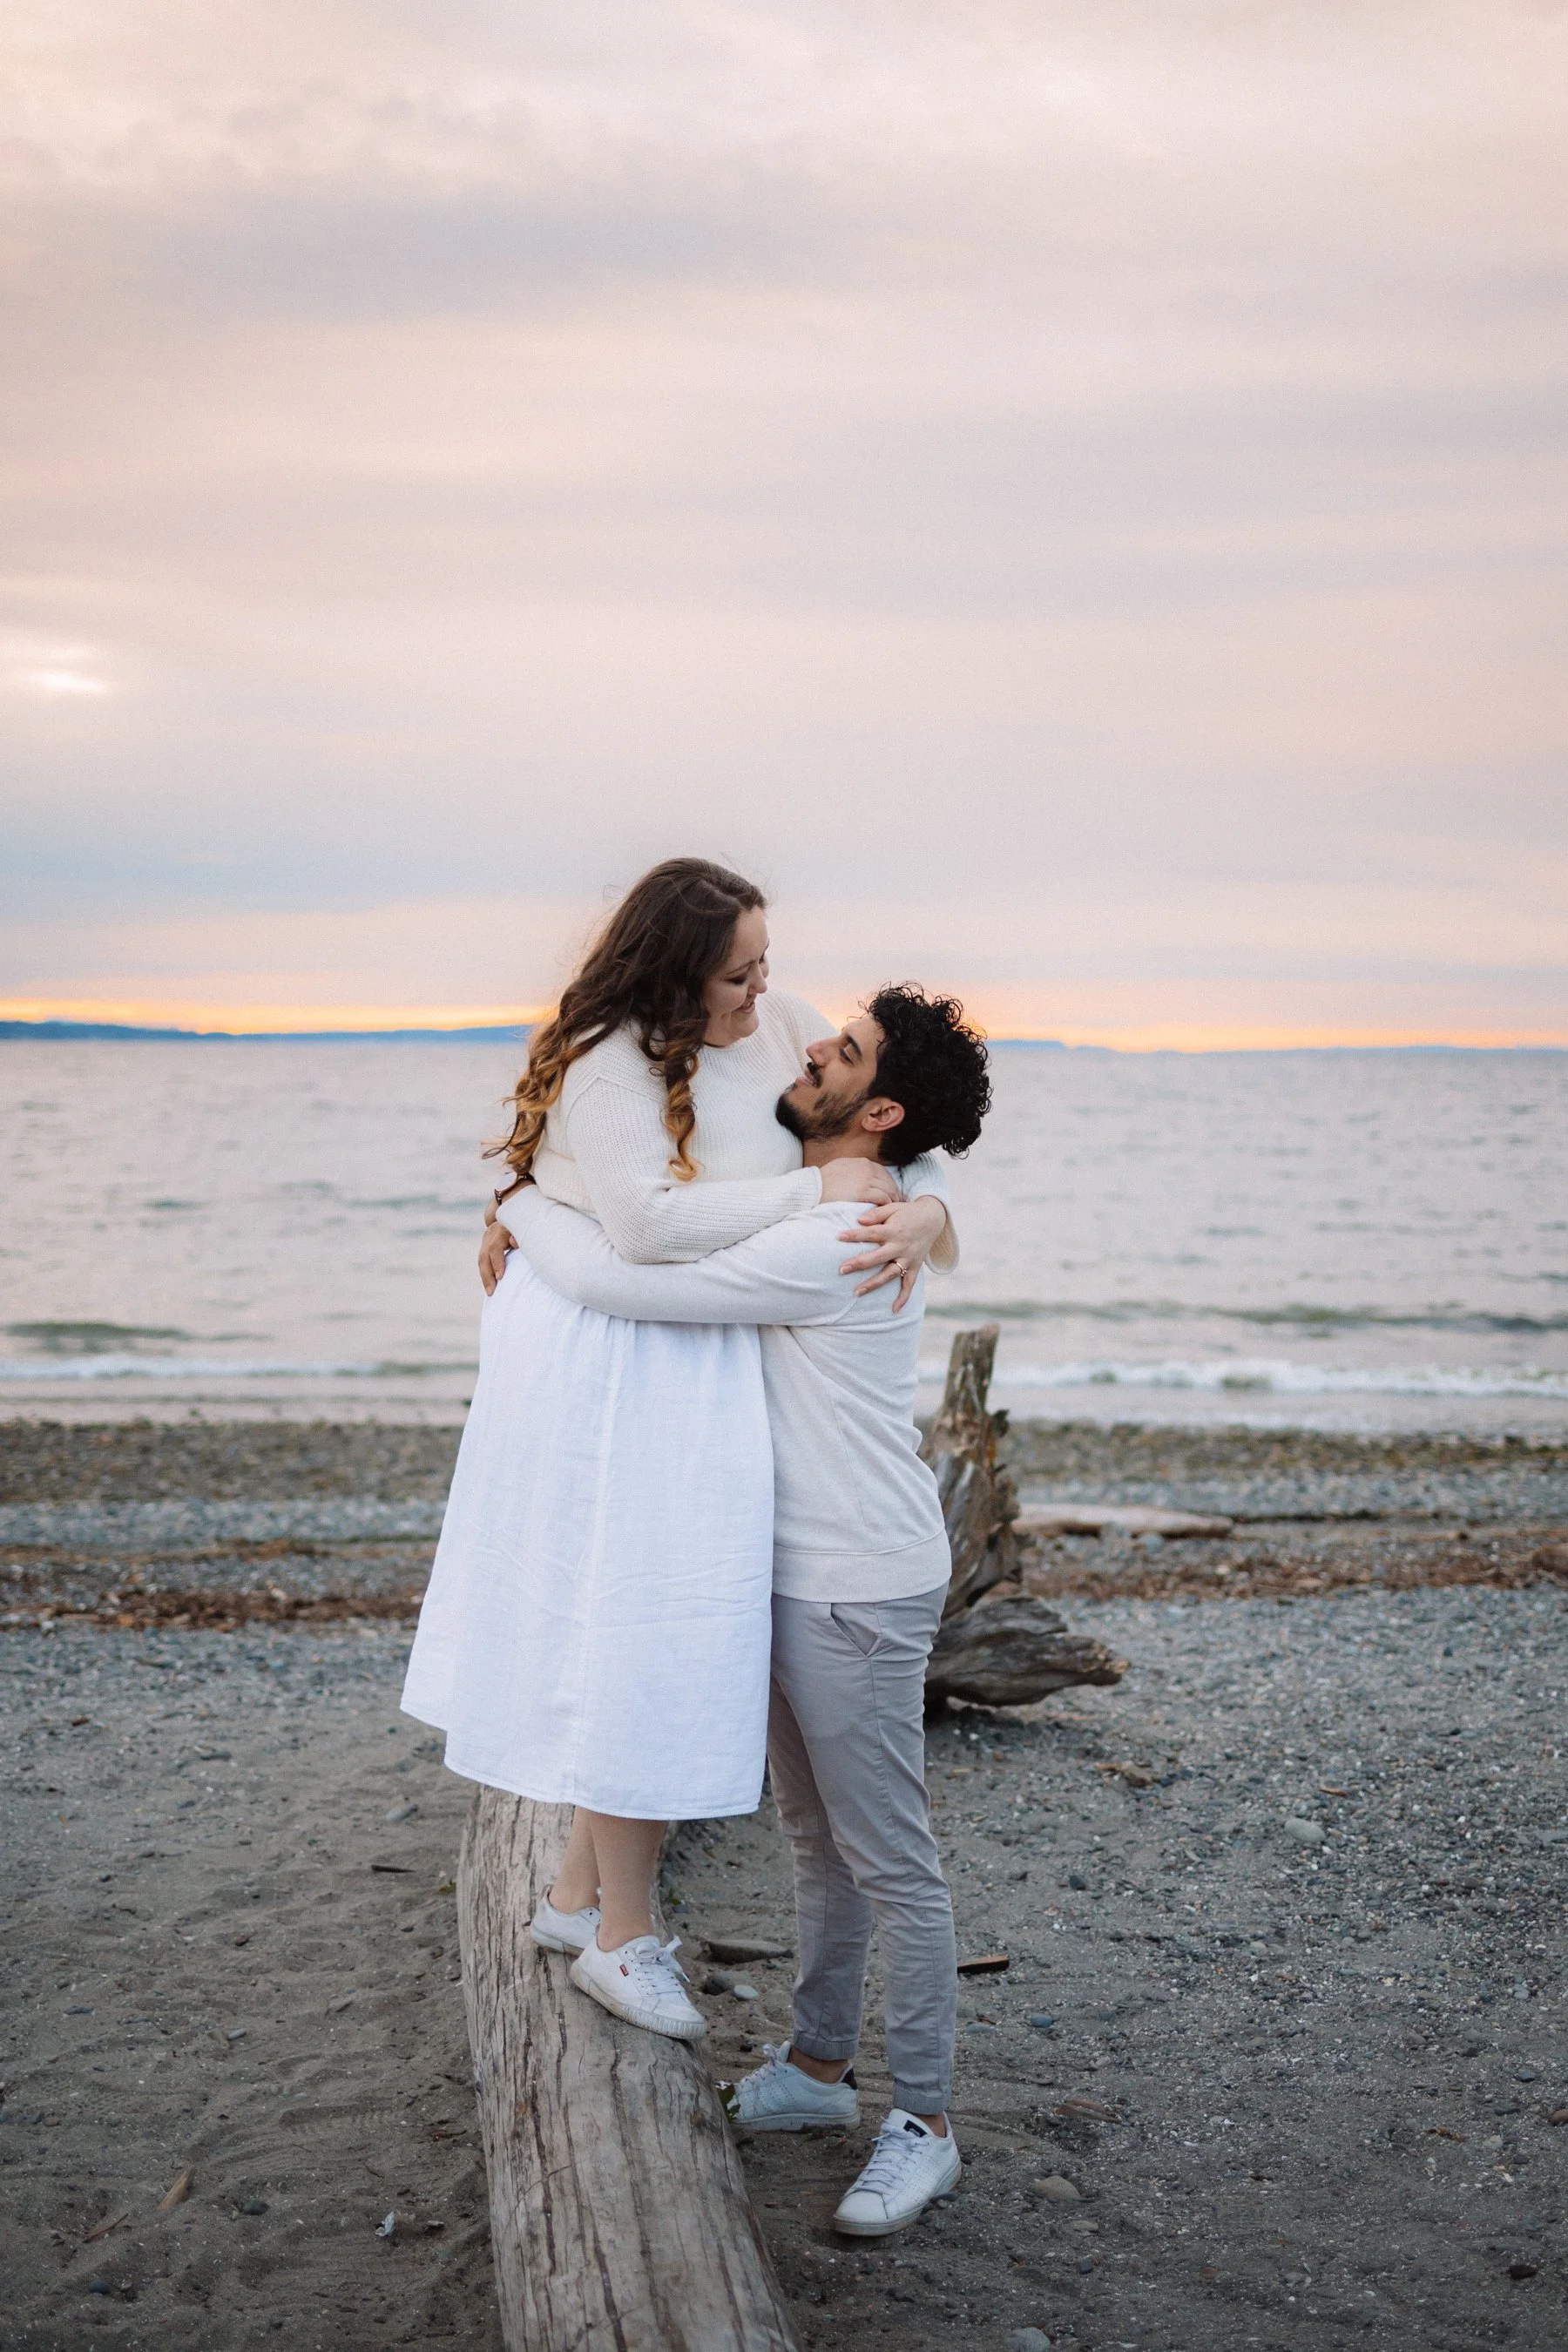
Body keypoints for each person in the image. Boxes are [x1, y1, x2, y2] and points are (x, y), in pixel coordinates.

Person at [400, 859, 955, 2045]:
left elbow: (900, 1132)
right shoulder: (607, 1061)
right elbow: (643, 1232)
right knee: (636, 1620)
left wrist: (927, 1210)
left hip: (698, 1342)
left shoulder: (782, 1026)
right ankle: (621, 1937)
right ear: (673, 972)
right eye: (738, 972)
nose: (767, 992)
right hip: (613, 1347)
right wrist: (533, 1207)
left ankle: (572, 1897)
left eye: (765, 961)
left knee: (644, 1617)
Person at [498, 982, 991, 2238]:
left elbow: (626, 1279)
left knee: (892, 1861)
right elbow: (926, 1159)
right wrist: (937, 1197)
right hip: (786, 1572)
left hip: (860, 1582)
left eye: (847, 1050)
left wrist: (520, 1203)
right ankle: (818, 2073)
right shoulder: (865, 1185)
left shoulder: (834, 1238)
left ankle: (925, 2127)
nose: (811, 1040)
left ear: (873, 1109)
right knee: (817, 1846)